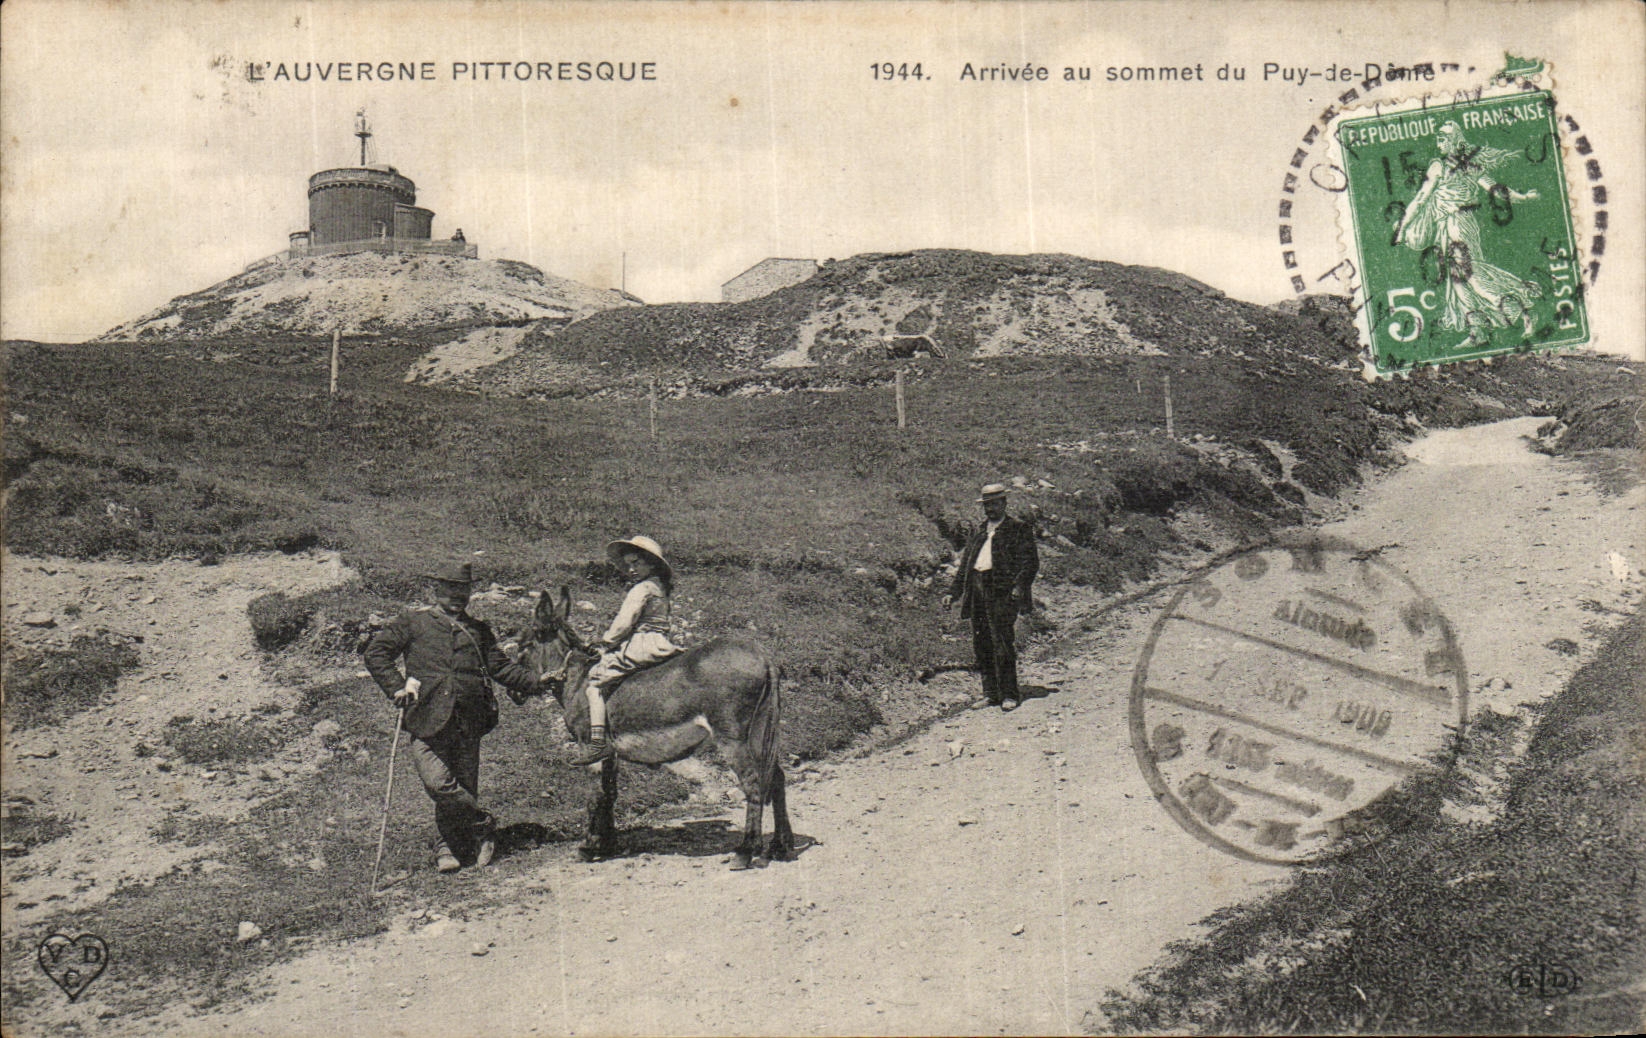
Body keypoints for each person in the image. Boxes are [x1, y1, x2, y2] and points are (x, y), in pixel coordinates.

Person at [363, 561, 540, 873]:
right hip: (426, 718)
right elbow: (376, 653)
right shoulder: (413, 622)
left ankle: (448, 847)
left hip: (469, 720)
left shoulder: (479, 630)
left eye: (463, 589)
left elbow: (500, 667)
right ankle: (483, 824)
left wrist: (538, 683)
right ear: (436, 589)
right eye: (450, 589)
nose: (458, 596)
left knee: (463, 787)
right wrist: (397, 687)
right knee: (439, 784)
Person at [1392, 120, 1543, 351]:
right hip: (1448, 226)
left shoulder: (1450, 167)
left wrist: (1402, 228)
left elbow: (1493, 189)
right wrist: (1523, 197)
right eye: (1438, 137)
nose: (1439, 142)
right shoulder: (1456, 166)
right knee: (1458, 281)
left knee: (1471, 275)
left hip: (1458, 224)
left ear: (1455, 141)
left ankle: (1522, 310)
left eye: (1443, 138)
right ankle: (1478, 331)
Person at [568, 536, 683, 766]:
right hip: (661, 643)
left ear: (652, 563)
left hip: (643, 644)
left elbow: (623, 624)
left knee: (595, 683)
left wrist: (605, 642)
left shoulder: (641, 589)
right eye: (628, 564)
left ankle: (598, 743)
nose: (631, 569)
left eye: (636, 563)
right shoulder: (660, 588)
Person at [943, 483, 1039, 711]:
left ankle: (1009, 694)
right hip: (977, 589)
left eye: (994, 504)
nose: (990, 509)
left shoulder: (1018, 529)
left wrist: (1019, 587)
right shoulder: (979, 531)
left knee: (1002, 642)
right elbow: (965, 566)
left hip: (1002, 592)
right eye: (987, 505)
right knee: (982, 642)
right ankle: (990, 693)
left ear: (1004, 503)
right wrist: (952, 592)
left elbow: (1030, 563)